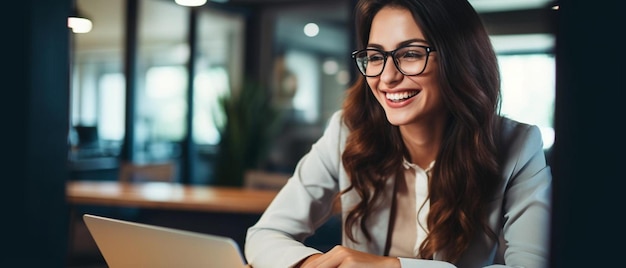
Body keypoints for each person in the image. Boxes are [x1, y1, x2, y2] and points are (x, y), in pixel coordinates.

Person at [244, 0, 552, 267]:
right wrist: (316, 264)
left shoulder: (518, 146)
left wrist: (393, 267)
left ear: (458, 58)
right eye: (376, 57)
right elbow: (265, 234)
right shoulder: (346, 132)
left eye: (411, 54)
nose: (388, 77)